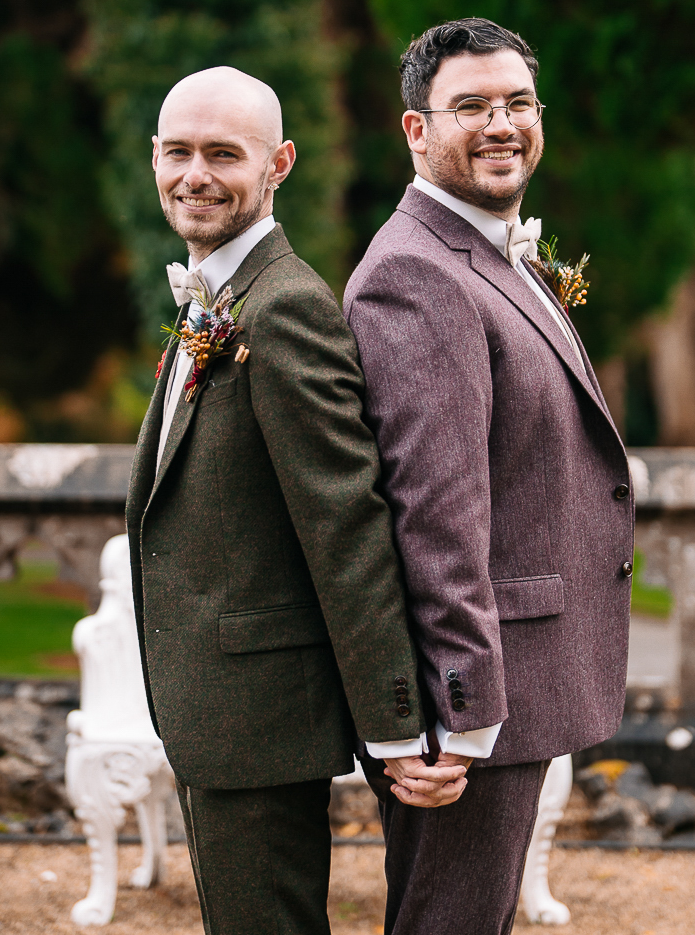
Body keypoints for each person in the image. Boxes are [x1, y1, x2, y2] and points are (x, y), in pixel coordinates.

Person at [124, 65, 466, 935]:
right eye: (177, 152)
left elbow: (346, 522)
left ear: (278, 164)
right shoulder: (221, 297)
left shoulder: (285, 309)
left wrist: (396, 728)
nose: (194, 174)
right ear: (151, 158)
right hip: (219, 711)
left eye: (222, 155)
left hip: (260, 719)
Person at [344, 19, 635, 935]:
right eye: (470, 105)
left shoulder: (489, 251)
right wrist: (454, 719)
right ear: (416, 130)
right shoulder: (415, 275)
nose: (501, 123)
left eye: (517, 103)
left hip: (510, 683)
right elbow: (435, 514)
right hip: (472, 703)